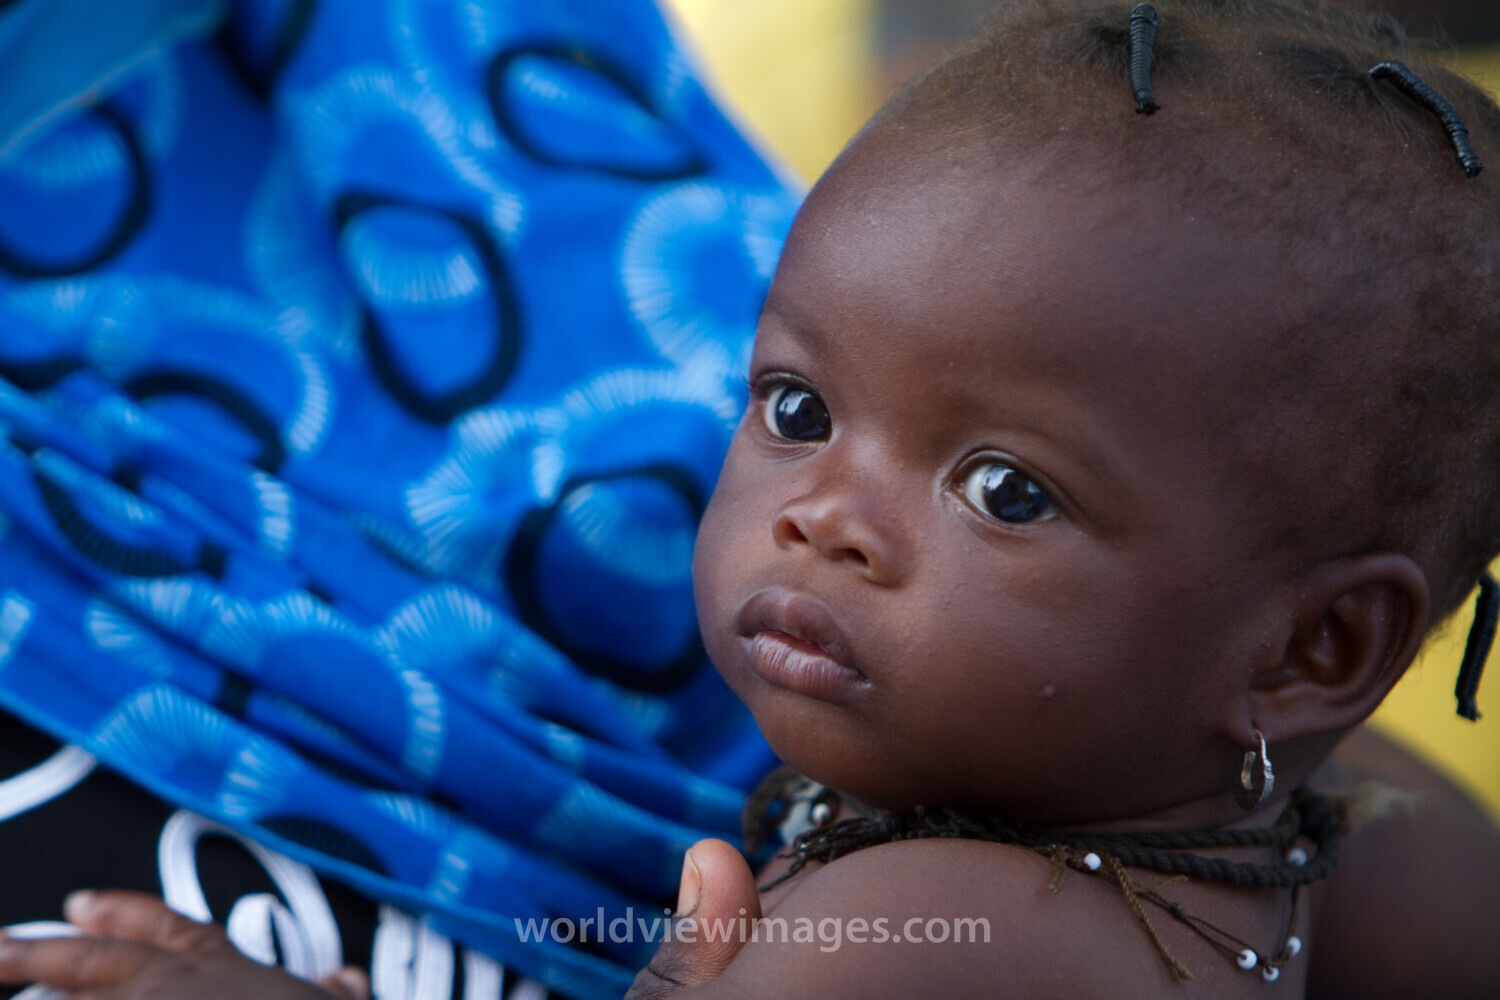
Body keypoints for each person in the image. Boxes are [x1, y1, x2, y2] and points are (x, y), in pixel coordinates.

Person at [2, 0, 1499, 996]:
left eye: (1005, 491)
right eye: (796, 409)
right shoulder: (1355, 851)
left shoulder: (889, 942)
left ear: (1315, 651)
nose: (822, 517)